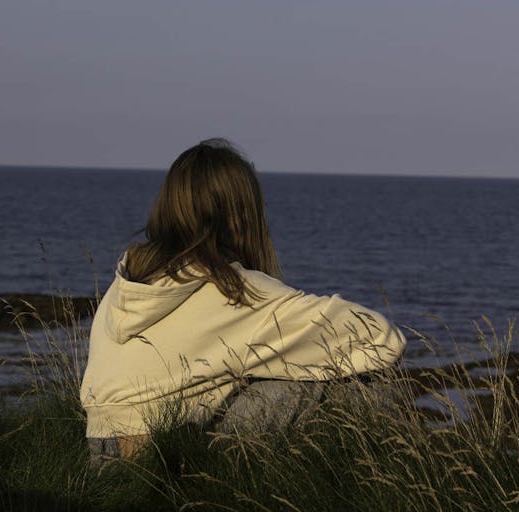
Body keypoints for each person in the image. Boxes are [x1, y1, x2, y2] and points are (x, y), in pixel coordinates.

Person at [80, 138, 406, 466]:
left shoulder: (126, 285)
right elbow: (383, 338)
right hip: (170, 453)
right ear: (242, 215)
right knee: (372, 386)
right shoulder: (236, 291)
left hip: (102, 456)